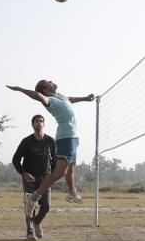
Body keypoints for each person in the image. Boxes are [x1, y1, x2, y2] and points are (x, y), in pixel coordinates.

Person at [6, 80, 94, 217]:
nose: (52, 81)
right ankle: (33, 198)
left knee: (71, 167)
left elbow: (70, 99)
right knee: (60, 172)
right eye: (49, 82)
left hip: (73, 137)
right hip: (66, 138)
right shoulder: (49, 100)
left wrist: (85, 99)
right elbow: (37, 95)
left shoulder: (60, 96)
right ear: (46, 90)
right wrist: (20, 89)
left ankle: (72, 192)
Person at [12, 115, 56, 241]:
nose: (39, 123)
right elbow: (15, 159)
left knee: (46, 206)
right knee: (30, 205)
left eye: (41, 121)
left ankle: (36, 222)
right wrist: (24, 174)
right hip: (29, 179)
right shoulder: (27, 141)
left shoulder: (50, 141)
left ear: (44, 124)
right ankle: (30, 232)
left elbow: (55, 160)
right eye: (36, 121)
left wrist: (53, 175)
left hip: (45, 179)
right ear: (32, 125)